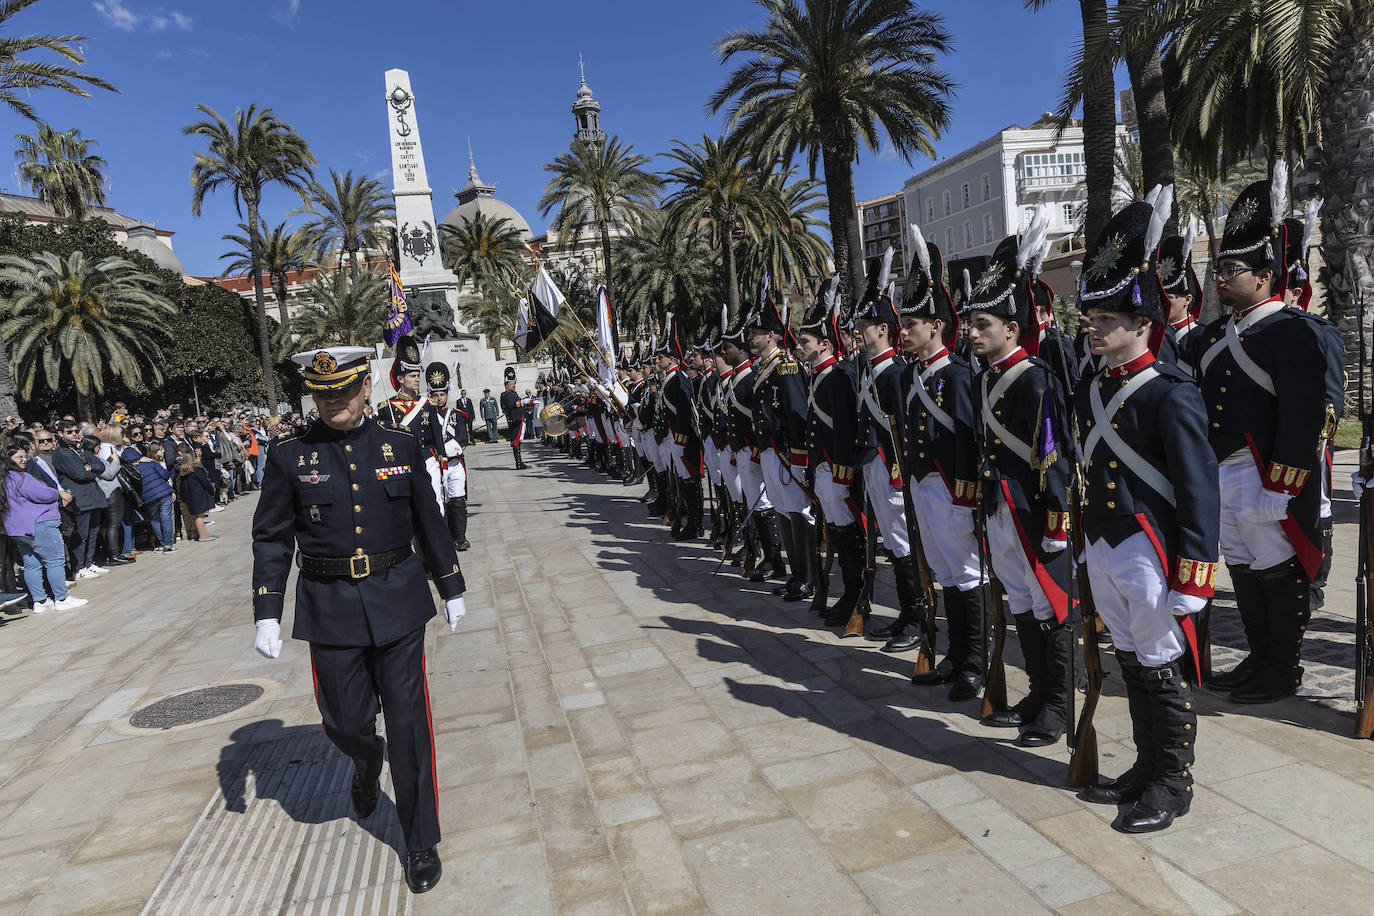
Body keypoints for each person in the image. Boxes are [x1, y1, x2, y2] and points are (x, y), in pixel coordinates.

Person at [250, 345, 467, 894]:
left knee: (409, 724)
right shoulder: (289, 456)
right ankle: (367, 762)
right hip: (329, 606)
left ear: (366, 386)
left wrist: (451, 584)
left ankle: (420, 839)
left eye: (344, 391)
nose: (333, 402)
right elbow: (272, 537)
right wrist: (267, 609)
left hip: (397, 598)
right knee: (344, 722)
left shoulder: (401, 445)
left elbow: (428, 520)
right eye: (322, 394)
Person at [1070, 194, 1221, 833]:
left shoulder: (1169, 393)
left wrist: (1195, 574)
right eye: (1091, 317)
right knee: (1131, 661)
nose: (1094, 327)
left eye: (1107, 318)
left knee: (1160, 665)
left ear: (1142, 322)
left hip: (1150, 547)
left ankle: (1172, 782)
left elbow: (1199, 489)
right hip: (1106, 543)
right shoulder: (1090, 388)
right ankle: (1144, 766)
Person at [1196, 168, 1341, 704]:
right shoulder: (1215, 334)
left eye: (1231, 270)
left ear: (1264, 275)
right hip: (1223, 470)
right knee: (1242, 568)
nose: (1220, 278)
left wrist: (1284, 484)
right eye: (1219, 268)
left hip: (1265, 474)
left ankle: (1282, 669)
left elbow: (1307, 414)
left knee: (1278, 570)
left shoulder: (1291, 330)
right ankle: (1258, 659)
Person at [966, 210, 1075, 748]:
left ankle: (1059, 705)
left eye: (983, 324)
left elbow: (1053, 453)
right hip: (1001, 507)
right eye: (971, 323)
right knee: (1023, 604)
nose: (972, 332)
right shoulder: (986, 380)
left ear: (1012, 328)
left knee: (1050, 603)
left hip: (1033, 510)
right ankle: (1037, 693)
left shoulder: (1034, 380)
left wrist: (1057, 521)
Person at [898, 229, 989, 694]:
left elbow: (970, 442)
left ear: (935, 325)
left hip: (952, 490)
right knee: (945, 573)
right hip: (922, 486)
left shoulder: (956, 376)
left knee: (966, 573)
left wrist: (965, 499)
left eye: (911, 324)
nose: (903, 332)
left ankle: (975, 663)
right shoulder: (911, 376)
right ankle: (955, 656)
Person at [853, 247, 917, 641]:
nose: (859, 331)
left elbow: (904, 431)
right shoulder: (870, 369)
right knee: (893, 546)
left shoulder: (895, 372)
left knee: (904, 545)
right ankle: (907, 615)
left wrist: (897, 474)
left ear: (883, 329)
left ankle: (916, 618)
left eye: (865, 325)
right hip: (873, 465)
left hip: (891, 471)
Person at [796, 276, 866, 628]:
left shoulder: (838, 375)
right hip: (824, 470)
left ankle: (856, 596)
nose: (798, 347)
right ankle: (849, 594)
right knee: (837, 534)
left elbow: (844, 428)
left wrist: (841, 473)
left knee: (849, 536)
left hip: (837, 472)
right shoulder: (818, 375)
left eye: (804, 341)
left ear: (824, 344)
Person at [747, 287, 814, 599]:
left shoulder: (786, 366)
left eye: (757, 333)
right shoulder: (763, 367)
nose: (751, 337)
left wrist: (799, 458)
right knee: (784, 511)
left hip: (787, 451)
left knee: (799, 511)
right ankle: (796, 573)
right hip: (770, 450)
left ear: (771, 336)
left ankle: (808, 577)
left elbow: (797, 414)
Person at [3, 441, 85, 611]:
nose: (24, 459)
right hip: (39, 524)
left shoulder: (4, 479)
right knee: (55, 561)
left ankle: (40, 601)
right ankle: (62, 599)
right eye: (19, 457)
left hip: (18, 529)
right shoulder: (21, 477)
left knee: (32, 565)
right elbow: (44, 493)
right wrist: (59, 493)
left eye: (25, 456)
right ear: (8, 459)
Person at [53, 419, 108, 579]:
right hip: (80, 498)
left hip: (93, 495)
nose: (74, 434)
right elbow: (79, 474)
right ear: (60, 434)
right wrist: (90, 471)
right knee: (81, 535)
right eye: (69, 432)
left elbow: (100, 465)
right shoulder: (61, 453)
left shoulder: (80, 448)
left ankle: (88, 563)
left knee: (93, 532)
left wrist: (90, 468)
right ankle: (79, 568)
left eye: (76, 431)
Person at [92, 428, 133, 566]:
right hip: (110, 491)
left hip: (110, 491)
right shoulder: (106, 450)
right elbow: (108, 473)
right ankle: (113, 555)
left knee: (112, 524)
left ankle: (112, 553)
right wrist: (116, 461)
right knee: (113, 524)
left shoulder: (107, 448)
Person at [138, 442, 177, 552]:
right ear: (155, 451)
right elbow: (166, 476)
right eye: (161, 449)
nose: (163, 451)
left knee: (155, 519)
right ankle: (167, 543)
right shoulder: (152, 463)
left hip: (150, 496)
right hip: (163, 493)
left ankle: (162, 542)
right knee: (165, 518)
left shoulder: (139, 465)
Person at [177, 448, 217, 541]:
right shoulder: (198, 471)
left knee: (199, 516)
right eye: (198, 457)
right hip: (199, 497)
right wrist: (212, 490)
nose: (199, 458)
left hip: (191, 498)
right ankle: (203, 536)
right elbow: (206, 483)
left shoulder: (184, 473)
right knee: (200, 517)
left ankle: (205, 534)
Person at [499, 377, 534, 470]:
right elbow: (511, 405)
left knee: (518, 441)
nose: (514, 385)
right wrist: (522, 402)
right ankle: (519, 464)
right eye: (512, 384)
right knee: (516, 442)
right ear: (507, 385)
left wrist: (528, 402)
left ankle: (519, 463)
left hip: (518, 419)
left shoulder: (512, 393)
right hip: (515, 420)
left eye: (514, 383)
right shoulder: (506, 394)